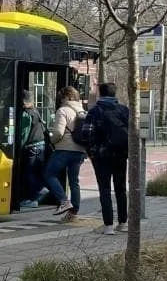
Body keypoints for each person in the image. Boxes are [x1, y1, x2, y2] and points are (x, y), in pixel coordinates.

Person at [84, 81, 130, 233]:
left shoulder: (95, 111)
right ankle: (123, 222)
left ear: (100, 93)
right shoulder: (124, 110)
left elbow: (86, 134)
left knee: (104, 189)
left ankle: (108, 225)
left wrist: (91, 153)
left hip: (101, 155)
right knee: (121, 188)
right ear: (114, 93)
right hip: (121, 154)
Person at [45, 85, 87, 218]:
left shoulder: (63, 110)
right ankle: (74, 211)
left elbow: (58, 132)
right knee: (74, 180)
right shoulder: (82, 110)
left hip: (64, 148)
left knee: (49, 174)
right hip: (80, 150)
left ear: (66, 97)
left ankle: (64, 201)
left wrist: (52, 140)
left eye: (61, 97)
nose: (60, 100)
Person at [17, 90, 47, 208]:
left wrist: (18, 147)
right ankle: (39, 190)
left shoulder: (26, 114)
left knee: (29, 173)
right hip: (41, 145)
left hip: (31, 147)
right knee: (36, 171)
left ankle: (35, 196)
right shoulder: (36, 111)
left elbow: (24, 133)